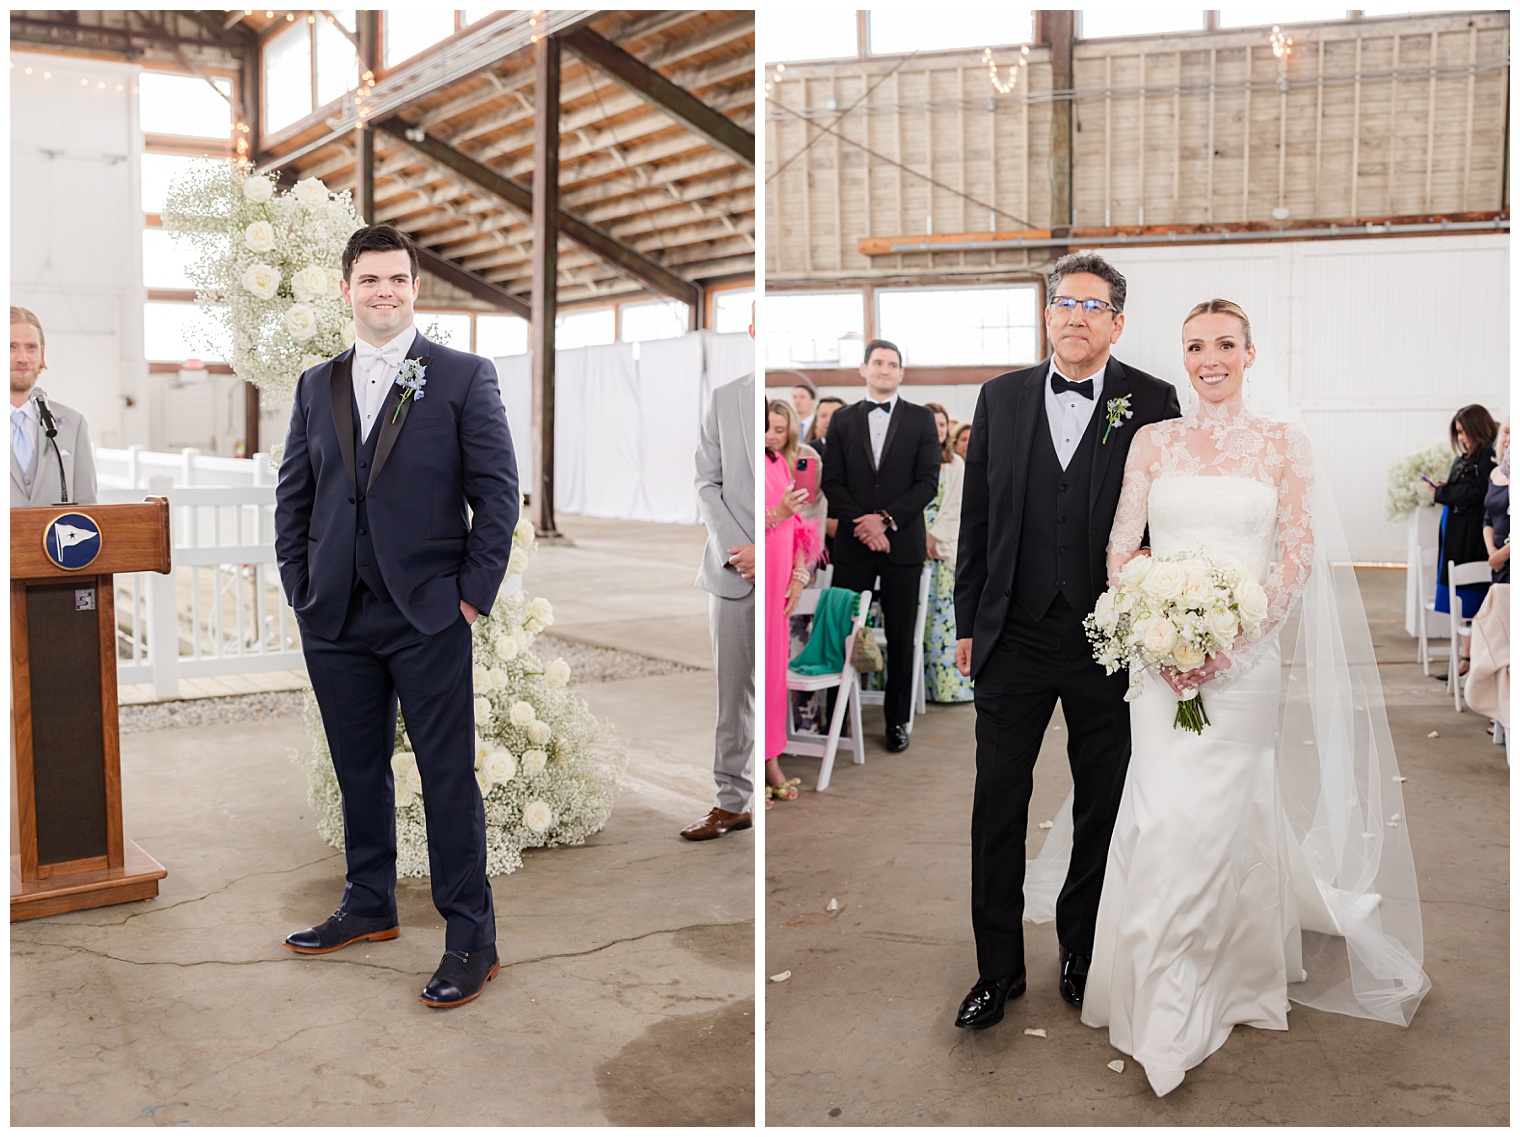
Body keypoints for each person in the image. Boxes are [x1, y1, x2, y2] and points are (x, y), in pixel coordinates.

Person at [1076, 298, 1429, 1095]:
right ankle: (1164, 992)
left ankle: (1205, 990)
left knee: (1224, 818)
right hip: (1156, 668)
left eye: (1225, 344)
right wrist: (1151, 625)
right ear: (1185, 354)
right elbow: (1122, 545)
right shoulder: (1153, 440)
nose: (1210, 358)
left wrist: (1224, 642)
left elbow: (1296, 556)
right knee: (1164, 817)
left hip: (1243, 664)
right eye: (1196, 344)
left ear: (1250, 353)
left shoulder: (1283, 445)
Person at [274, 224, 518, 1009]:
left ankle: (471, 937)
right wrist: (301, 589)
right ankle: (369, 900)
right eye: (370, 279)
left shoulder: (460, 375)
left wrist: (470, 597)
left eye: (398, 279)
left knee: (447, 776)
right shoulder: (317, 384)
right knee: (358, 768)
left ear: (416, 288)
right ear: (345, 289)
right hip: (336, 615)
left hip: (428, 613)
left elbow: (499, 494)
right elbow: (295, 498)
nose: (384, 291)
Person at [951, 252, 1181, 1030]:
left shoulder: (1152, 399)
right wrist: (964, 626)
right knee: (997, 806)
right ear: (1047, 314)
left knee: (1103, 806)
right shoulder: (1001, 398)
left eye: (1092, 306)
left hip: (1106, 641)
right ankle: (997, 969)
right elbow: (975, 523)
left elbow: (1164, 519)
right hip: (1011, 637)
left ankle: (1083, 954)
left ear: (1118, 321)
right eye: (1063, 302)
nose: (1074, 316)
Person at [820, 339, 940, 753]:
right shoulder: (840, 419)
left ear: (901, 373)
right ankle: (832, 716)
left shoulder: (922, 419)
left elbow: (927, 482)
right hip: (854, 546)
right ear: (863, 369)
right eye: (878, 362)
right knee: (843, 633)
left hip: (901, 546)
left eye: (893, 364)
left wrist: (885, 520)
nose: (885, 369)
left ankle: (897, 722)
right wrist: (864, 525)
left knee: (903, 637)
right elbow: (831, 480)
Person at [681, 311, 756, 841]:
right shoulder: (726, 397)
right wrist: (741, 548)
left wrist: (774, 553)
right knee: (733, 695)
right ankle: (732, 801)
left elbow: (814, 494)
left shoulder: (801, 397)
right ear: (752, 330)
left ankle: (773, 783)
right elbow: (706, 483)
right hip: (732, 572)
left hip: (788, 575)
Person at [764, 399, 818, 804]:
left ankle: (772, 760)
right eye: (766, 427)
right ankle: (754, 764)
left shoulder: (781, 465)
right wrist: (777, 512)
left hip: (782, 581)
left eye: (779, 429)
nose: (770, 436)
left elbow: (797, 525)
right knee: (755, 676)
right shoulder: (750, 464)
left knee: (774, 676)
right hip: (757, 575)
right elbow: (760, 517)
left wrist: (800, 577)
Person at [1430, 405, 1499, 677]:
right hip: (1457, 534)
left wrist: (1444, 492)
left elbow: (1477, 492)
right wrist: (1444, 490)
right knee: (1462, 599)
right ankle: (1466, 658)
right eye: (1457, 433)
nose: (1461, 437)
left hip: (1474, 538)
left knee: (1474, 598)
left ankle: (1473, 663)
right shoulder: (1467, 457)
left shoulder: (1488, 457)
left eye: (1463, 431)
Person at [10, 306, 97, 507]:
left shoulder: (73, 424)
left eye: (31, 347)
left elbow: (87, 505)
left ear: (42, 353)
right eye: (10, 346)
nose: (22, 358)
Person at [921, 402, 971, 703]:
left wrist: (933, 536)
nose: (937, 430)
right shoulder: (909, 460)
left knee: (941, 620)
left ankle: (944, 688)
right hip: (912, 542)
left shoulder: (955, 464)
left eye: (941, 424)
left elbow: (956, 509)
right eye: (931, 423)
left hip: (940, 548)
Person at [1483, 418, 1509, 584]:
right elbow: (1488, 518)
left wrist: (1503, 555)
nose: (1509, 439)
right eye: (1506, 432)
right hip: (1498, 563)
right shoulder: (1494, 474)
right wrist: (1492, 552)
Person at [806, 394, 845, 462]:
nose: (829, 420)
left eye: (834, 415)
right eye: (823, 415)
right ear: (816, 421)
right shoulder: (807, 451)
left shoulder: (855, 449)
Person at [791, 377, 817, 442]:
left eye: (802, 397)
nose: (797, 401)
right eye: (794, 397)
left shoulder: (818, 423)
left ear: (812, 402)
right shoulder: (789, 423)